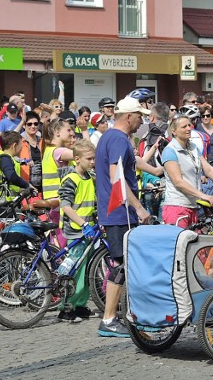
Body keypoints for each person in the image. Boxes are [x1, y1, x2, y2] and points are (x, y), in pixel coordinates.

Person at [95, 97, 151, 338]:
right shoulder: (118, 138)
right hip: (119, 213)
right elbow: (116, 176)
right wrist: (139, 208)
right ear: (128, 116)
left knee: (123, 264)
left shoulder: (110, 136)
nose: (142, 121)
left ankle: (119, 315)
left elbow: (128, 164)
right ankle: (108, 320)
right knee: (121, 266)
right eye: (140, 116)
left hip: (115, 212)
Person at [161, 114, 213, 228]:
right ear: (174, 131)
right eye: (184, 127)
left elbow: (209, 170)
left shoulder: (193, 147)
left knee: (196, 244)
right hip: (177, 207)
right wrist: (203, 196)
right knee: (180, 244)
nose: (188, 128)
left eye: (189, 125)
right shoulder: (170, 151)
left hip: (193, 206)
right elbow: (178, 182)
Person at [57, 139, 98, 323]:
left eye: (93, 158)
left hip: (87, 229)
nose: (92, 162)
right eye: (88, 159)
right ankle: (65, 308)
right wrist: (82, 223)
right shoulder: (71, 179)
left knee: (86, 270)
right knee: (73, 271)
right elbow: (66, 206)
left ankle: (80, 304)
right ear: (77, 159)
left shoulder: (89, 177)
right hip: (76, 230)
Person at [0, 131, 35, 200]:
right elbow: (12, 177)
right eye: (21, 144)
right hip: (5, 201)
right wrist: (27, 185)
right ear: (14, 146)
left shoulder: (7, 157)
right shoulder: (5, 159)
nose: (22, 147)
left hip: (9, 199)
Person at [19, 111, 43, 192]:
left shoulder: (42, 141)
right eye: (29, 124)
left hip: (42, 186)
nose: (33, 126)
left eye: (35, 124)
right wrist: (24, 161)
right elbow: (7, 141)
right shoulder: (19, 141)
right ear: (24, 125)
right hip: (26, 185)